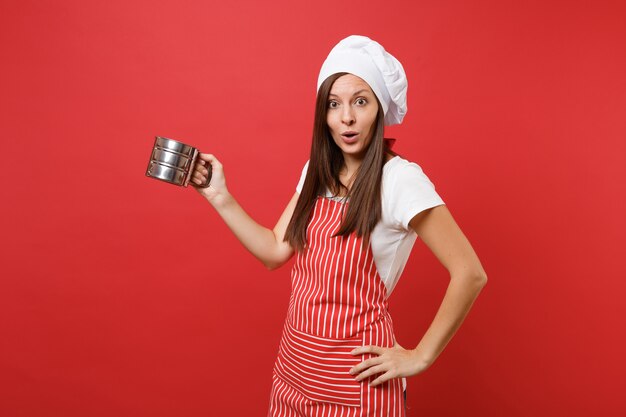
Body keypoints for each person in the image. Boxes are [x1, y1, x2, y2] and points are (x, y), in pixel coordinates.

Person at [190, 35, 488, 416]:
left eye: (360, 102)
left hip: (356, 386)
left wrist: (420, 356)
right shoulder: (317, 172)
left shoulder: (399, 180)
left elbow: (470, 273)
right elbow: (274, 251)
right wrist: (220, 196)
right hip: (293, 376)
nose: (346, 117)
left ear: (379, 108)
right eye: (334, 104)